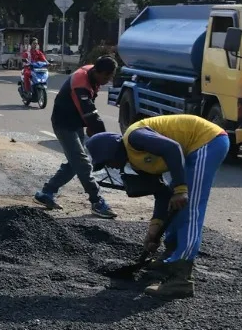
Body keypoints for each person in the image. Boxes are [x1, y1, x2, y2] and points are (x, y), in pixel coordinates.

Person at [87, 112, 230, 299]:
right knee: (175, 206)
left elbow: (173, 148)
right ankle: (170, 256)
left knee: (189, 208)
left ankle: (181, 278)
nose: (111, 166)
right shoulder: (137, 164)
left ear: (111, 150)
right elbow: (162, 195)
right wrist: (154, 230)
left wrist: (180, 189)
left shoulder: (134, 137)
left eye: (107, 161)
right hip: (195, 147)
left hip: (208, 141)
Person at [34, 57, 118, 217]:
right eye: (106, 77)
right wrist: (106, 144)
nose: (107, 81)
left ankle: (47, 192)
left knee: (75, 163)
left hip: (75, 122)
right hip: (64, 124)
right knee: (83, 163)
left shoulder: (92, 72)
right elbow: (92, 116)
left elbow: (90, 111)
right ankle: (96, 201)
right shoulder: (81, 83)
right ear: (98, 72)